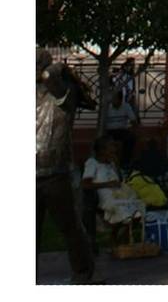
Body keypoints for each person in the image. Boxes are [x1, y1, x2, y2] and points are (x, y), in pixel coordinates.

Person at [36, 48, 101, 284]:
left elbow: (53, 83)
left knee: (71, 228)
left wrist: (56, 70)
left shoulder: (64, 92)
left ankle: (83, 275)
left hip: (56, 174)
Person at [82, 137, 146, 245]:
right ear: (102, 150)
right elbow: (85, 184)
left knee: (139, 208)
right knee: (124, 212)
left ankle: (118, 238)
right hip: (105, 197)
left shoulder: (111, 163)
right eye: (111, 147)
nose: (114, 149)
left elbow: (120, 180)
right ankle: (118, 240)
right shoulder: (92, 163)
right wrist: (107, 184)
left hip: (119, 195)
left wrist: (116, 165)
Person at [105, 89, 139, 168]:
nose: (112, 100)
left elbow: (133, 121)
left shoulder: (126, 106)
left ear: (120, 100)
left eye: (114, 99)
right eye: (112, 98)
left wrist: (134, 130)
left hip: (121, 130)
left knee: (131, 138)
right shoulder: (107, 107)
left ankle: (125, 162)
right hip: (110, 131)